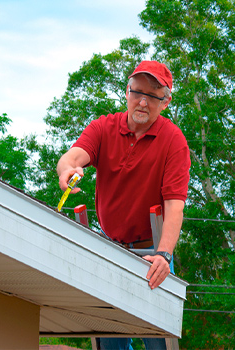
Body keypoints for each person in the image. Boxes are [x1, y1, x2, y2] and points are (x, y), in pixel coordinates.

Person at [57, 61, 190, 350]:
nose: (143, 101)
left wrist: (164, 256)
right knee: (109, 341)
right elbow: (73, 156)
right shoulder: (104, 127)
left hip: (151, 255)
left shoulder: (173, 142)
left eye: (153, 95)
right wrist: (67, 169)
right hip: (110, 248)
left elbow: (175, 206)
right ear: (126, 92)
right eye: (137, 92)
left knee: (158, 342)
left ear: (165, 101)